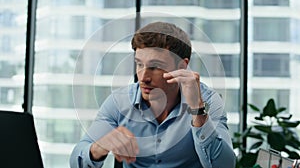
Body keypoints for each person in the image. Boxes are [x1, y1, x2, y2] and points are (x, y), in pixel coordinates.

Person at [70, 21, 236, 168]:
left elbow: (225, 165)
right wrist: (99, 148)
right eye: (139, 64)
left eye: (155, 66)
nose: (143, 77)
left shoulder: (208, 101)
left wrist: (197, 110)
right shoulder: (118, 103)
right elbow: (77, 160)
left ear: (182, 65)